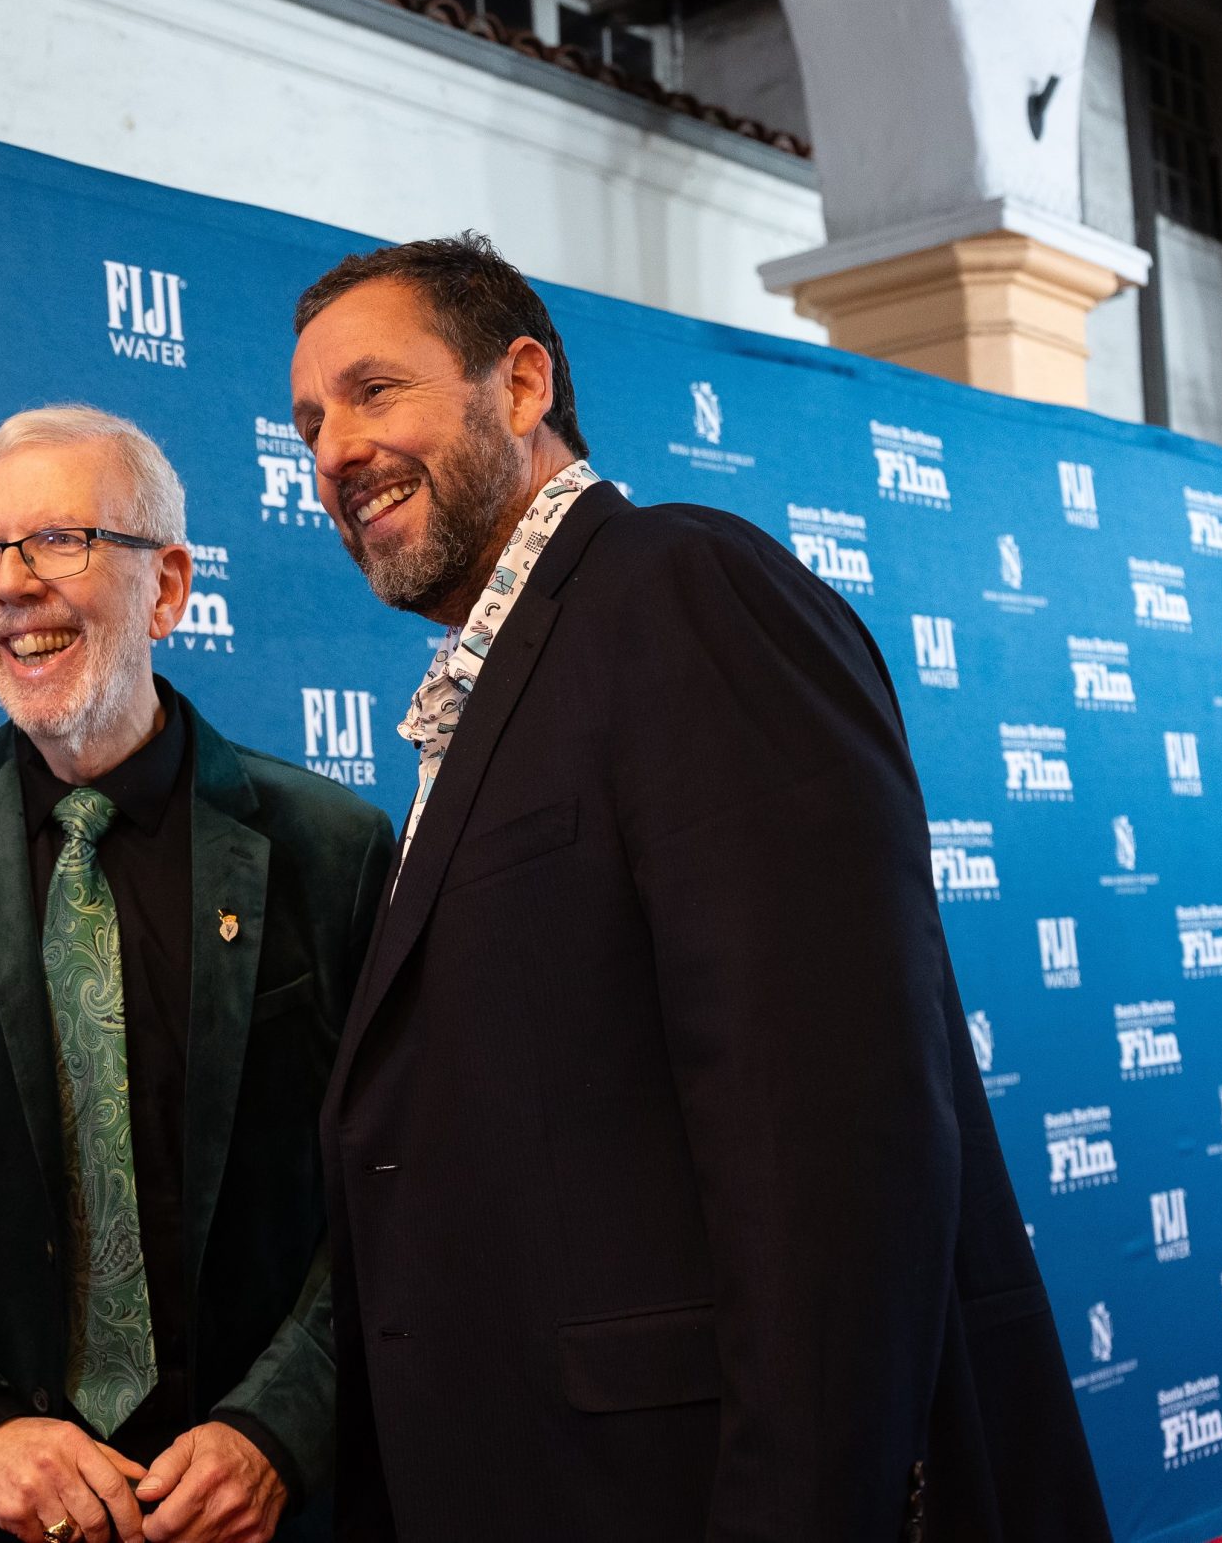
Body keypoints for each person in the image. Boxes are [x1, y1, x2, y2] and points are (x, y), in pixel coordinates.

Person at [289, 234, 1111, 1542]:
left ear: (521, 383)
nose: (334, 449)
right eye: (309, 424)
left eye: (373, 390)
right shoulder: (495, 685)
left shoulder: (682, 589)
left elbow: (831, 1136)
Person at [0, 408, 393, 1543]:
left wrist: (278, 1432)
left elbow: (391, 1189)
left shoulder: (331, 850)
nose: (9, 586)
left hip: (251, 1513)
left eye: (59, 541)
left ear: (168, 588)